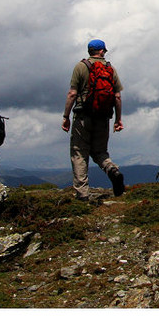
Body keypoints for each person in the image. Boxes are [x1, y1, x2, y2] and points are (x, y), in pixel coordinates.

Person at [62, 39, 126, 199]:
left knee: (79, 152)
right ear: (102, 51)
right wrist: (118, 119)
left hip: (83, 116)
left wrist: (66, 116)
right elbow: (117, 96)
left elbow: (72, 94)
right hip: (103, 117)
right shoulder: (110, 69)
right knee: (100, 152)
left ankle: (82, 194)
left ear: (89, 51)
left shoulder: (81, 66)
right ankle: (112, 170)